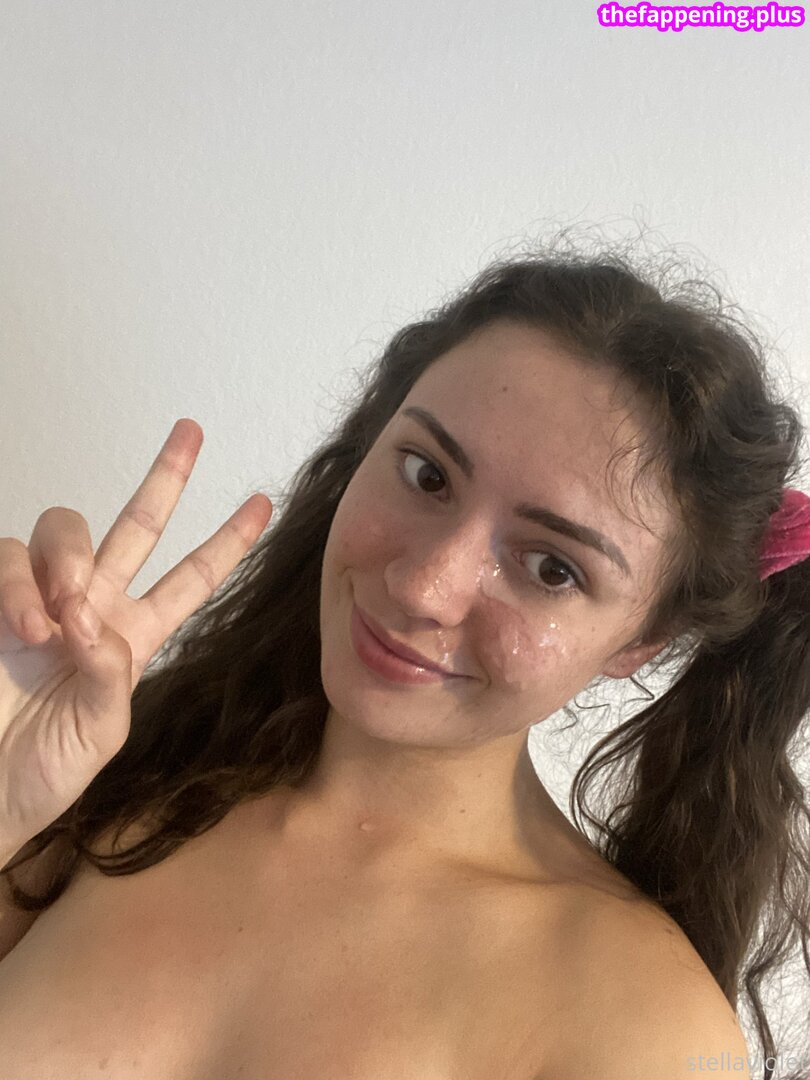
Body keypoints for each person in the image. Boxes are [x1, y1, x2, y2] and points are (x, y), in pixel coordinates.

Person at [0, 246, 808, 1080]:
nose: (424, 585)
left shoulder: (643, 1023)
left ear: (642, 641)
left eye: (551, 568)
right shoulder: (122, 777)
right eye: (427, 476)